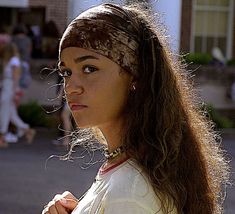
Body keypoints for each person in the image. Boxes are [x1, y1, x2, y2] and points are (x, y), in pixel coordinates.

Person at [42, 3, 229, 214]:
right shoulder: (128, 169)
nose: (71, 87)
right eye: (66, 72)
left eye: (89, 68)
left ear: (135, 77)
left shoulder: (130, 193)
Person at [0, 43, 35, 147]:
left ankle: (2, 136)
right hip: (8, 86)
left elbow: (16, 77)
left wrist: (14, 91)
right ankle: (27, 129)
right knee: (11, 113)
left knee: (4, 111)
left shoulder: (13, 60)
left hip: (9, 87)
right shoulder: (12, 60)